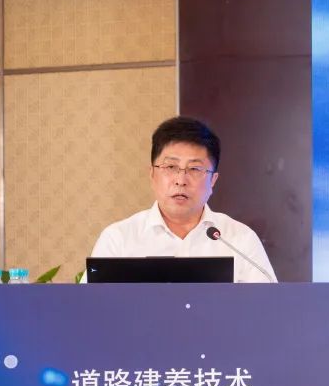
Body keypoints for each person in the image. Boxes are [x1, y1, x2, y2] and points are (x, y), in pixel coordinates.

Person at [89, 116, 277, 282]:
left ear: (213, 180)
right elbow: (91, 305)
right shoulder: (118, 239)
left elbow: (267, 306)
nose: (181, 180)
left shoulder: (240, 240)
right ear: (152, 174)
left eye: (195, 169)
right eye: (171, 167)